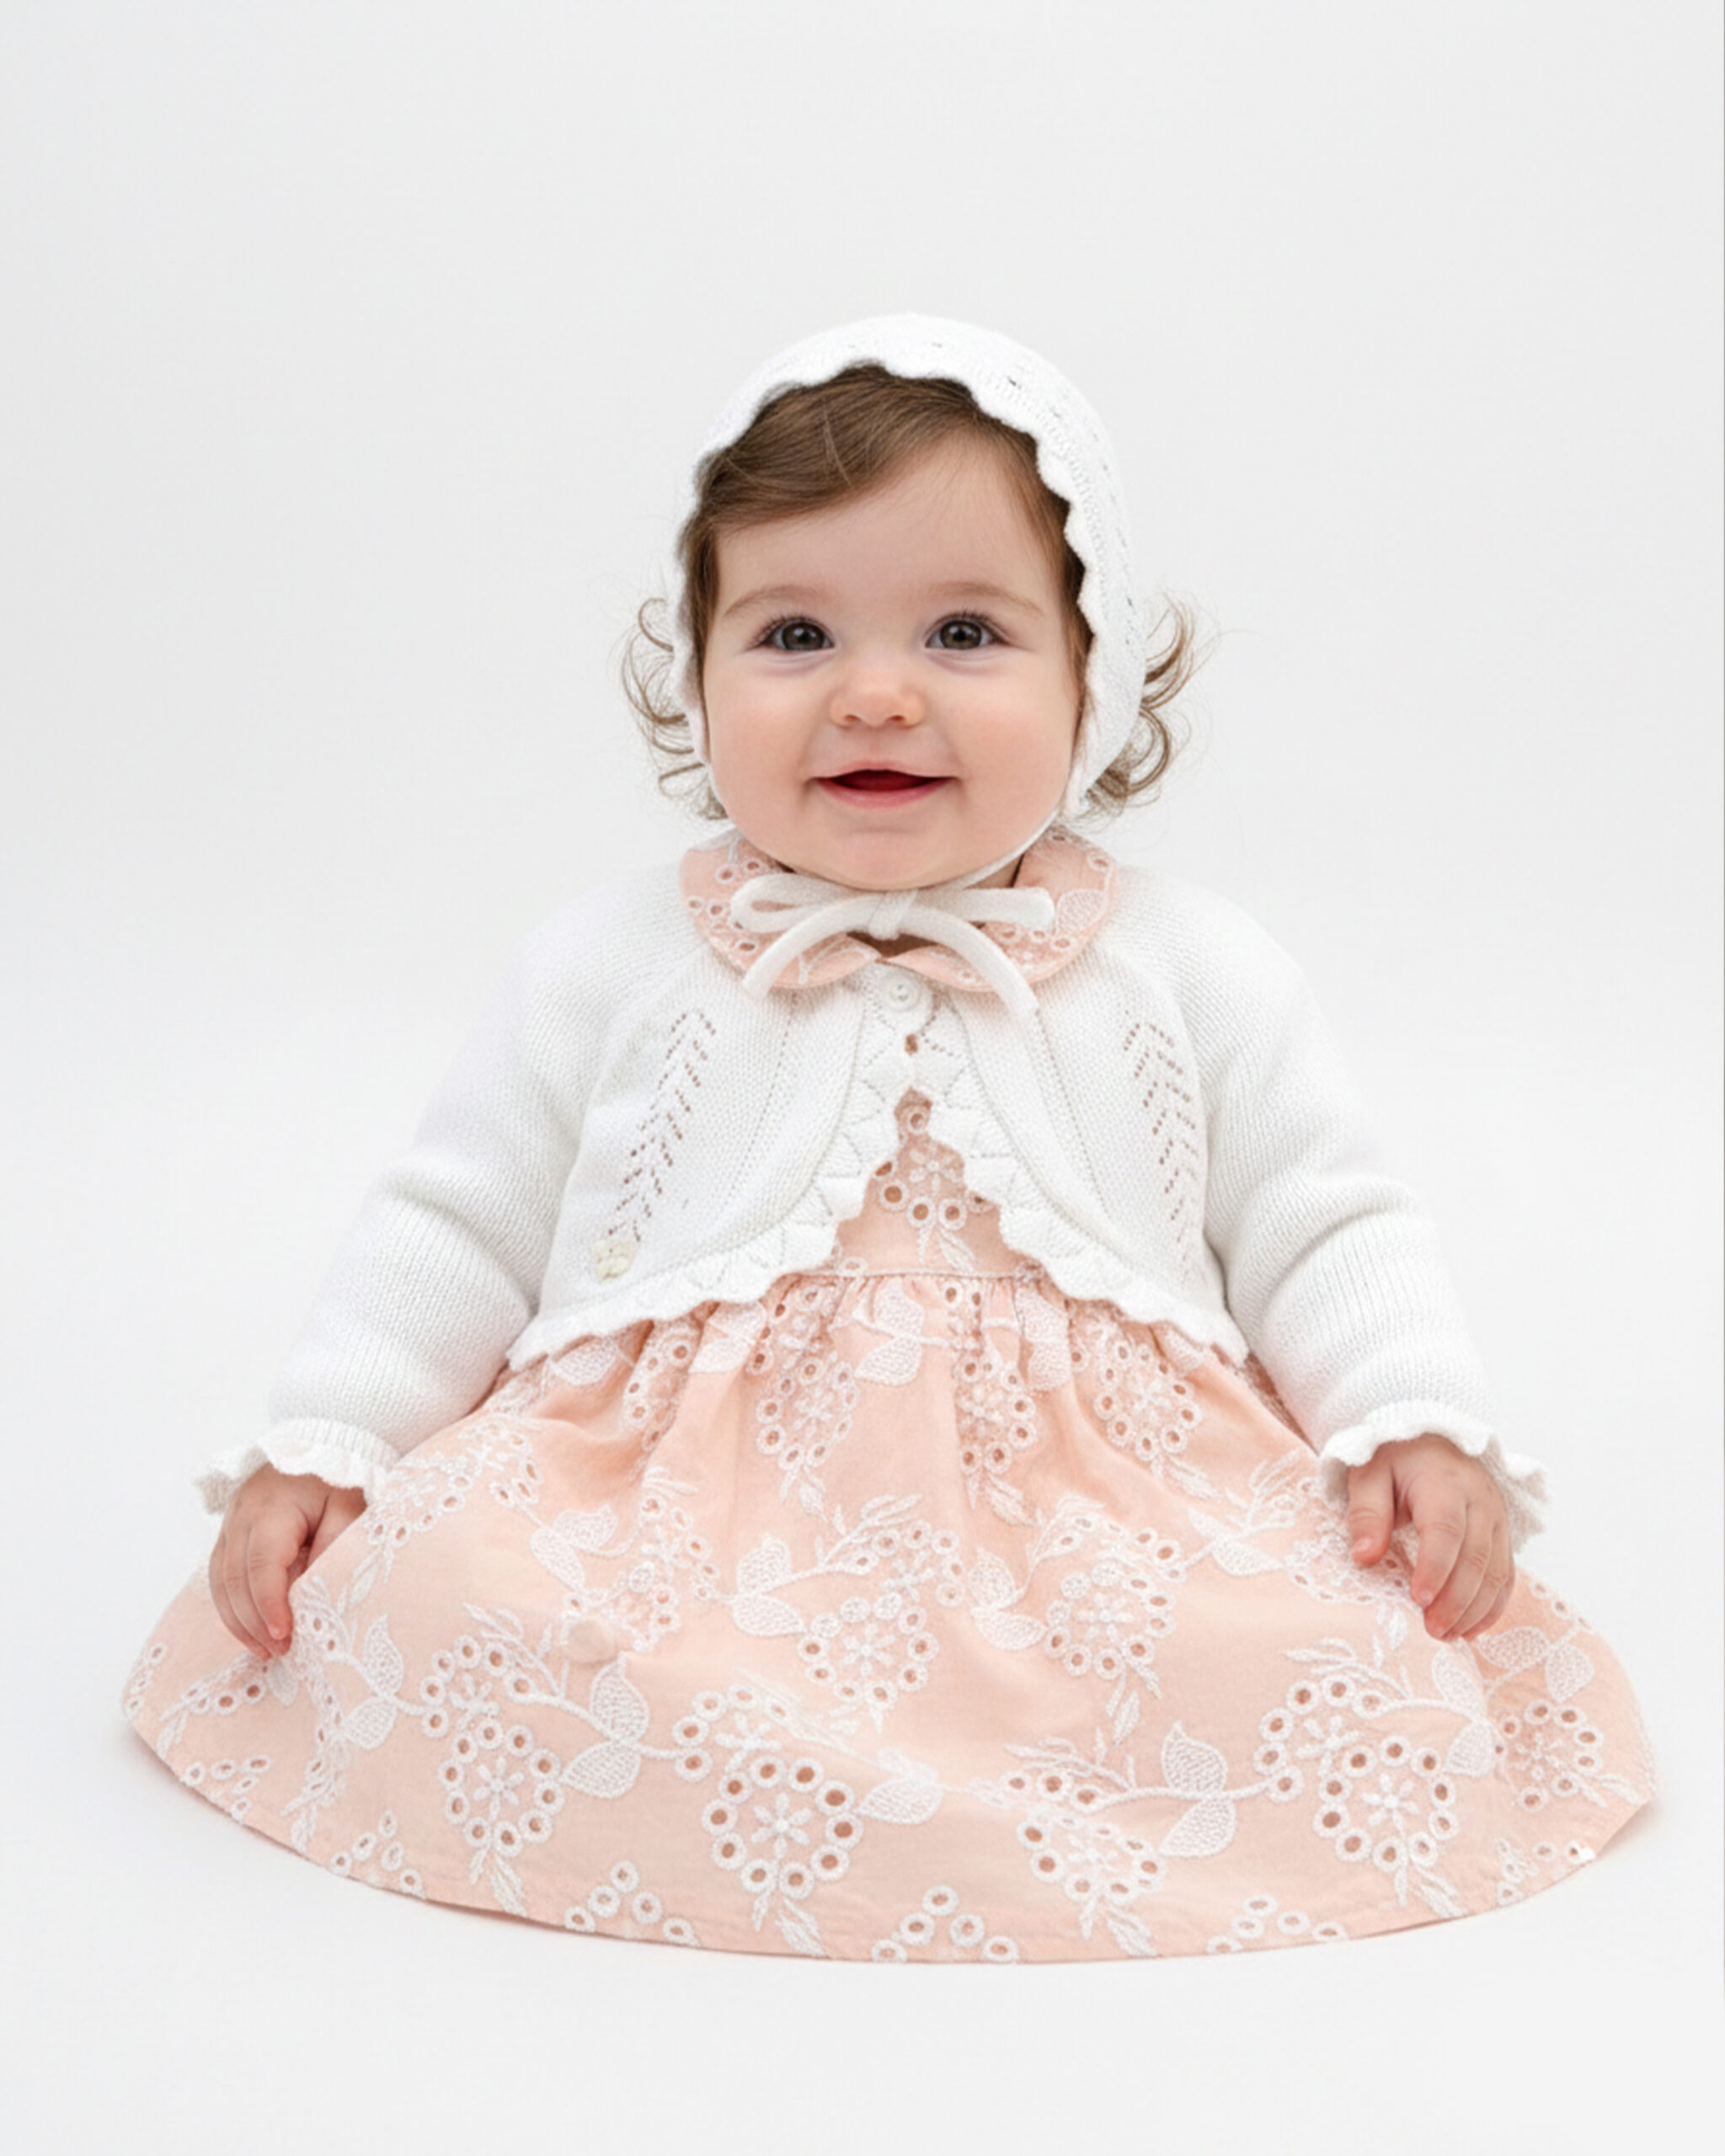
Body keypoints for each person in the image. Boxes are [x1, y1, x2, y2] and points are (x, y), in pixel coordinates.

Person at [122, 315, 1651, 1961]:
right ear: (696, 672)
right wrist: (329, 1440)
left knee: (1304, 1639)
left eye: (963, 632)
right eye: (792, 632)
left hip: (1094, 1514)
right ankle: (709, 1793)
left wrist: (1407, 1417)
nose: (873, 693)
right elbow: (457, 1219)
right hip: (677, 1511)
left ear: (1095, 677)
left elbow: (1323, 1214)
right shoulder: (613, 957)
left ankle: (991, 1819)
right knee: (458, 1590)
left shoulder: (1187, 963)